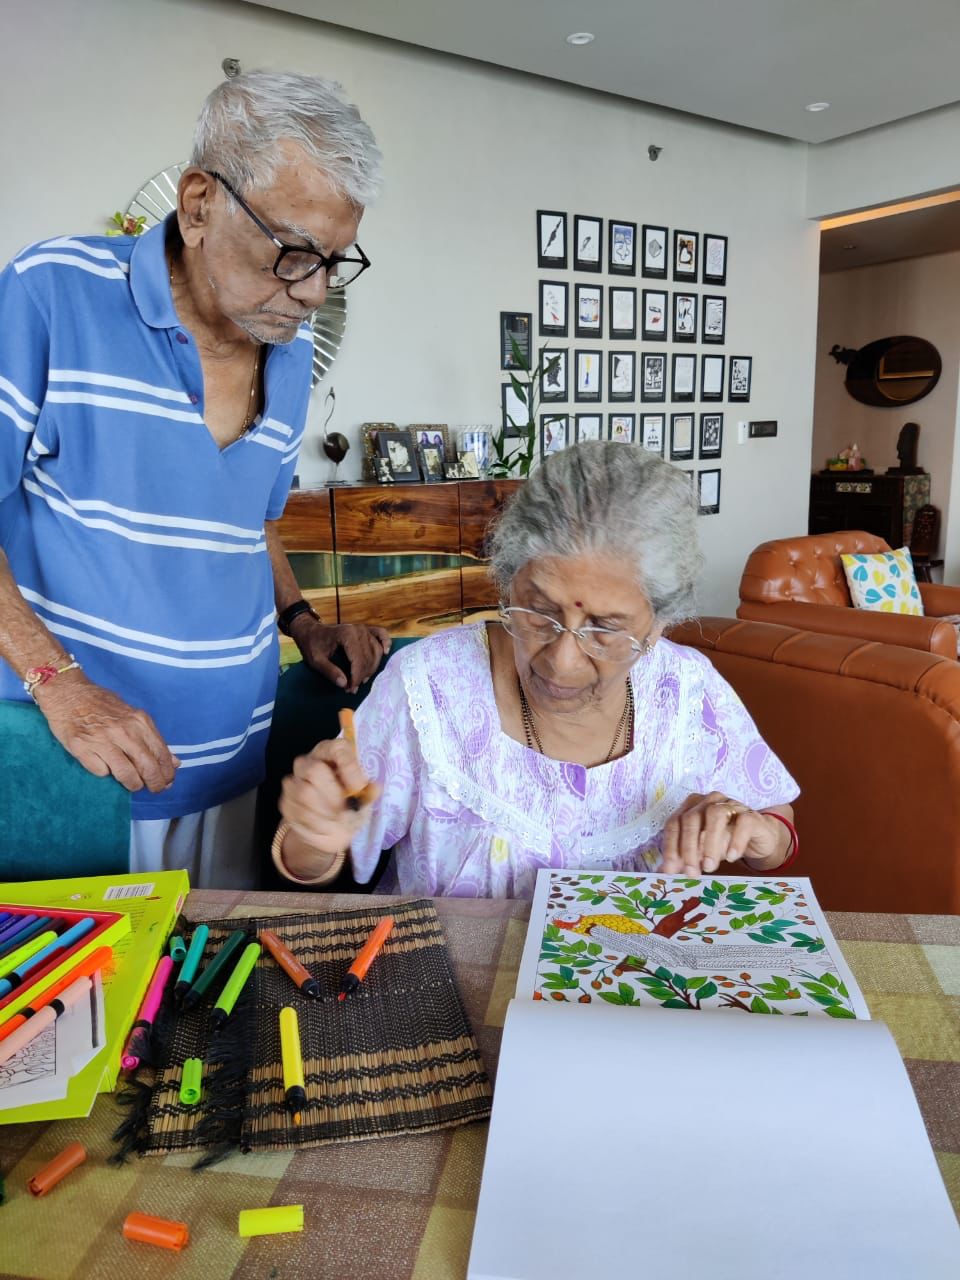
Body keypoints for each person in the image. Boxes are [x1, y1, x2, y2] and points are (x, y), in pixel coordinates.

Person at [0, 71, 391, 887]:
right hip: (82, 764)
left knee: (209, 1000)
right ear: (199, 202)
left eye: (331, 260)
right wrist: (59, 685)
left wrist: (304, 621)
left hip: (230, 763)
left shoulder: (287, 356)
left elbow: (245, 520)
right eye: (291, 252)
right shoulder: (50, 293)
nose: (313, 290)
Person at [272, 441, 799, 898]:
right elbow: (310, 867)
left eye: (605, 628)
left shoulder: (688, 690)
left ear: (659, 624)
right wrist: (313, 835)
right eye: (540, 612)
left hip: (640, 994)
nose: (561, 661)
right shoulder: (427, 686)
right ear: (508, 583)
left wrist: (756, 833)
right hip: (450, 993)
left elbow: (776, 831)